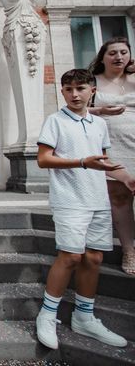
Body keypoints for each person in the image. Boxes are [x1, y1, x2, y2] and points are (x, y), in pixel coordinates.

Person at [35, 69, 134, 350]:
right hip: (69, 199)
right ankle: (48, 313)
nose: (74, 94)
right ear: (63, 92)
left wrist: (126, 177)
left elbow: (103, 160)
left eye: (80, 88)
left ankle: (84, 316)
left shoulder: (98, 124)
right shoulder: (55, 121)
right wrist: (81, 162)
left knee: (94, 258)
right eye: (68, 89)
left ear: (92, 90)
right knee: (70, 256)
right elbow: (44, 159)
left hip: (97, 199)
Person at [87, 37, 135, 275]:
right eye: (113, 53)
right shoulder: (93, 82)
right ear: (102, 57)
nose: (118, 57)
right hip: (111, 144)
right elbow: (75, 108)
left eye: (123, 52)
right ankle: (129, 250)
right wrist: (101, 110)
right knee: (119, 197)